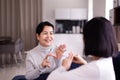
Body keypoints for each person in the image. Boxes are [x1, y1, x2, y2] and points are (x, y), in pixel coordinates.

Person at [47, 17, 119, 80]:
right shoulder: (107, 61)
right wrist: (85, 64)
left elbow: (51, 78)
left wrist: (64, 67)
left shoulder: (96, 68)